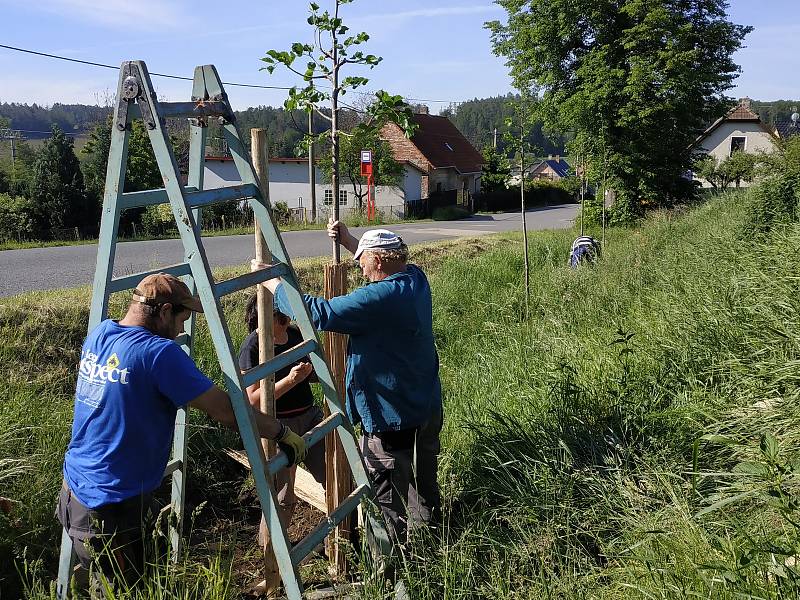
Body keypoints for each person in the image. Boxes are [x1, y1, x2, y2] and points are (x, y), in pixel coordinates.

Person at [57, 273, 306, 586]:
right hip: (109, 505)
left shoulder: (101, 334)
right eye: (181, 320)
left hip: (76, 488)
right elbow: (227, 411)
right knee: (122, 590)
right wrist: (281, 432)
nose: (180, 331)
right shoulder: (159, 354)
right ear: (164, 312)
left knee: (111, 582)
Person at [253, 221, 443, 544]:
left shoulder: (377, 298)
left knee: (385, 495)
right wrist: (349, 242)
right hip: (425, 406)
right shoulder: (415, 279)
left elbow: (321, 312)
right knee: (422, 481)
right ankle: (432, 538)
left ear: (379, 261)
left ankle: (390, 568)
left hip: (390, 416)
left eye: (365, 263)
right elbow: (377, 261)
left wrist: (274, 284)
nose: (362, 270)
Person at [238, 294, 326, 527]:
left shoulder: (295, 334)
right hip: (277, 427)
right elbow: (253, 402)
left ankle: (341, 536)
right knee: (282, 495)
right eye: (281, 316)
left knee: (333, 474)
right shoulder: (252, 347)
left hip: (309, 417)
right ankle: (273, 553)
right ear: (264, 319)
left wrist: (314, 372)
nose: (287, 319)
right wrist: (290, 381)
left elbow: (315, 374)